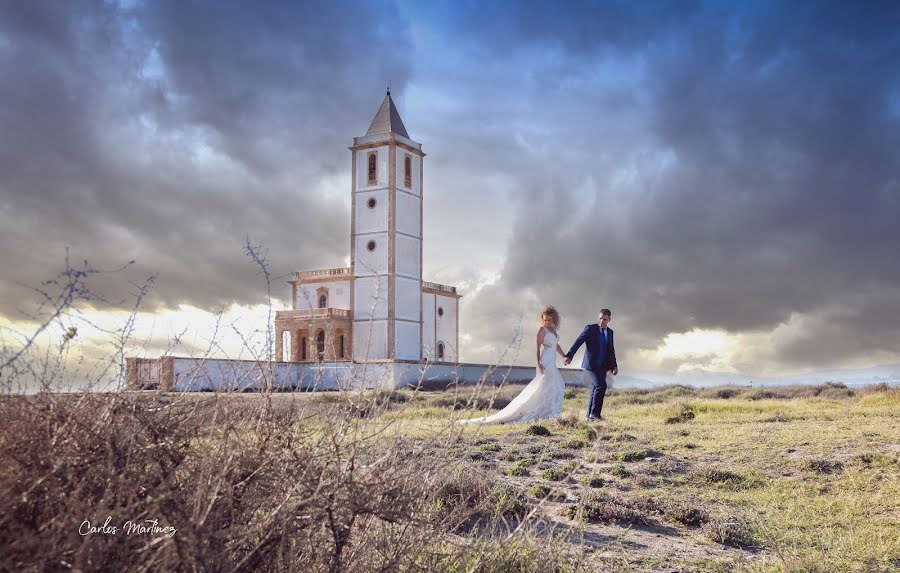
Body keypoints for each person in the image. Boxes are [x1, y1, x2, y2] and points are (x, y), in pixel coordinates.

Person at [457, 306, 567, 424]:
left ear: (554, 319)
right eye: (545, 320)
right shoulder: (542, 330)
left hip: (552, 361)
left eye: (549, 320)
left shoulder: (554, 330)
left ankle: (548, 412)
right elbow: (537, 348)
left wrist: (564, 356)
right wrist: (539, 362)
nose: (546, 322)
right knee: (544, 387)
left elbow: (556, 345)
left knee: (557, 385)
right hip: (545, 361)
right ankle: (538, 412)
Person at [564, 308, 618, 420]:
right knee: (601, 386)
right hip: (592, 364)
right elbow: (578, 341)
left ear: (609, 320)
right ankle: (595, 415)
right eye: (601, 318)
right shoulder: (590, 329)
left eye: (605, 319)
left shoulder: (610, 332)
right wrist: (569, 356)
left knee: (595, 387)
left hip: (603, 366)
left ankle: (589, 415)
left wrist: (614, 365)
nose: (602, 321)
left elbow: (611, 350)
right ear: (599, 317)